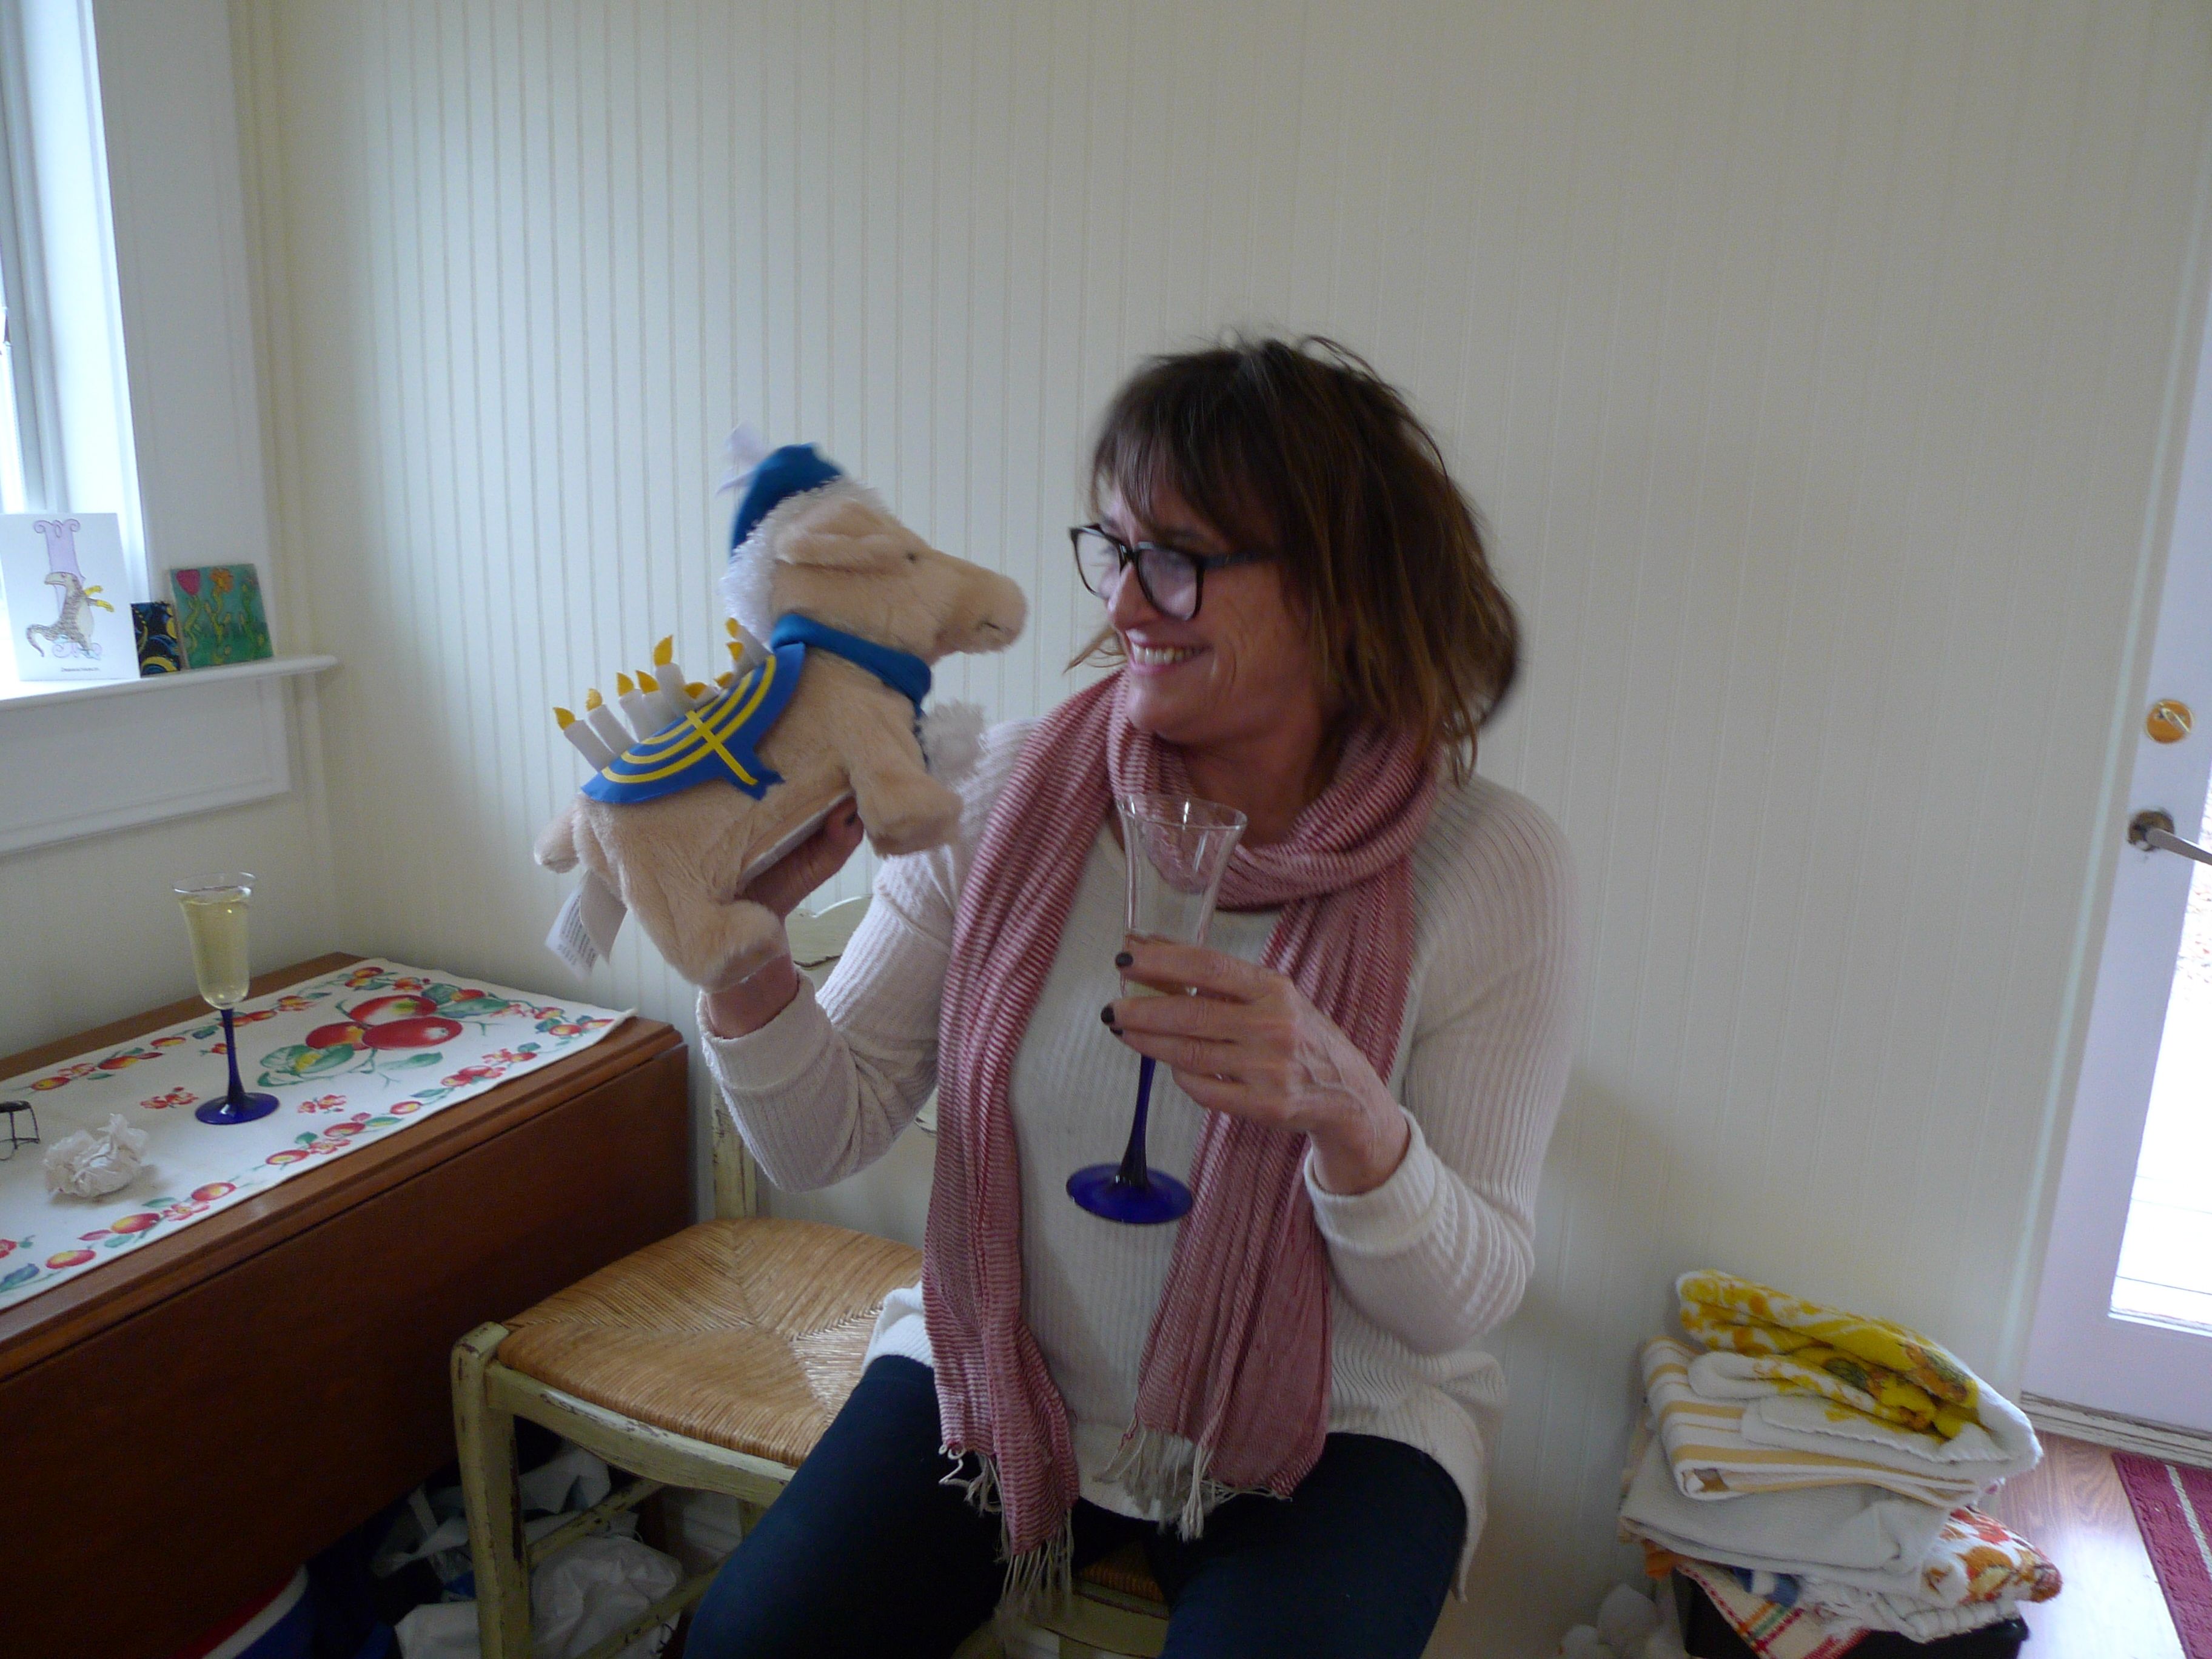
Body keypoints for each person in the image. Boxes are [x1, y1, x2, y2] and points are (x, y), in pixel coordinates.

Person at [683, 337, 1578, 1659]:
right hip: (999, 1361)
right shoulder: (999, 794)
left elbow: (1467, 1296)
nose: (1127, 602)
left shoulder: (1489, 865)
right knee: (748, 1647)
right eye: (1115, 547)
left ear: (1345, 584)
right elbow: (823, 1135)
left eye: (1181, 556)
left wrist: (1352, 1120)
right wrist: (743, 951)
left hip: (1338, 1421)